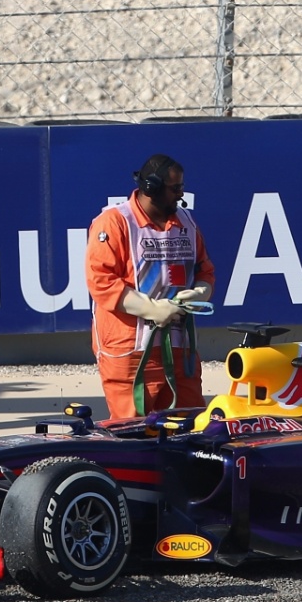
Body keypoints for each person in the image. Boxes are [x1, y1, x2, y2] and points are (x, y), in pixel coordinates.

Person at [85, 154, 215, 419]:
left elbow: (205, 269)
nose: (181, 194)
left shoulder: (186, 222)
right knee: (133, 432)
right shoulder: (114, 222)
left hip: (180, 350)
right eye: (175, 188)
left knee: (190, 426)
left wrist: (201, 291)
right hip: (130, 352)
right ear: (151, 188)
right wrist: (151, 309)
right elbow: (100, 280)